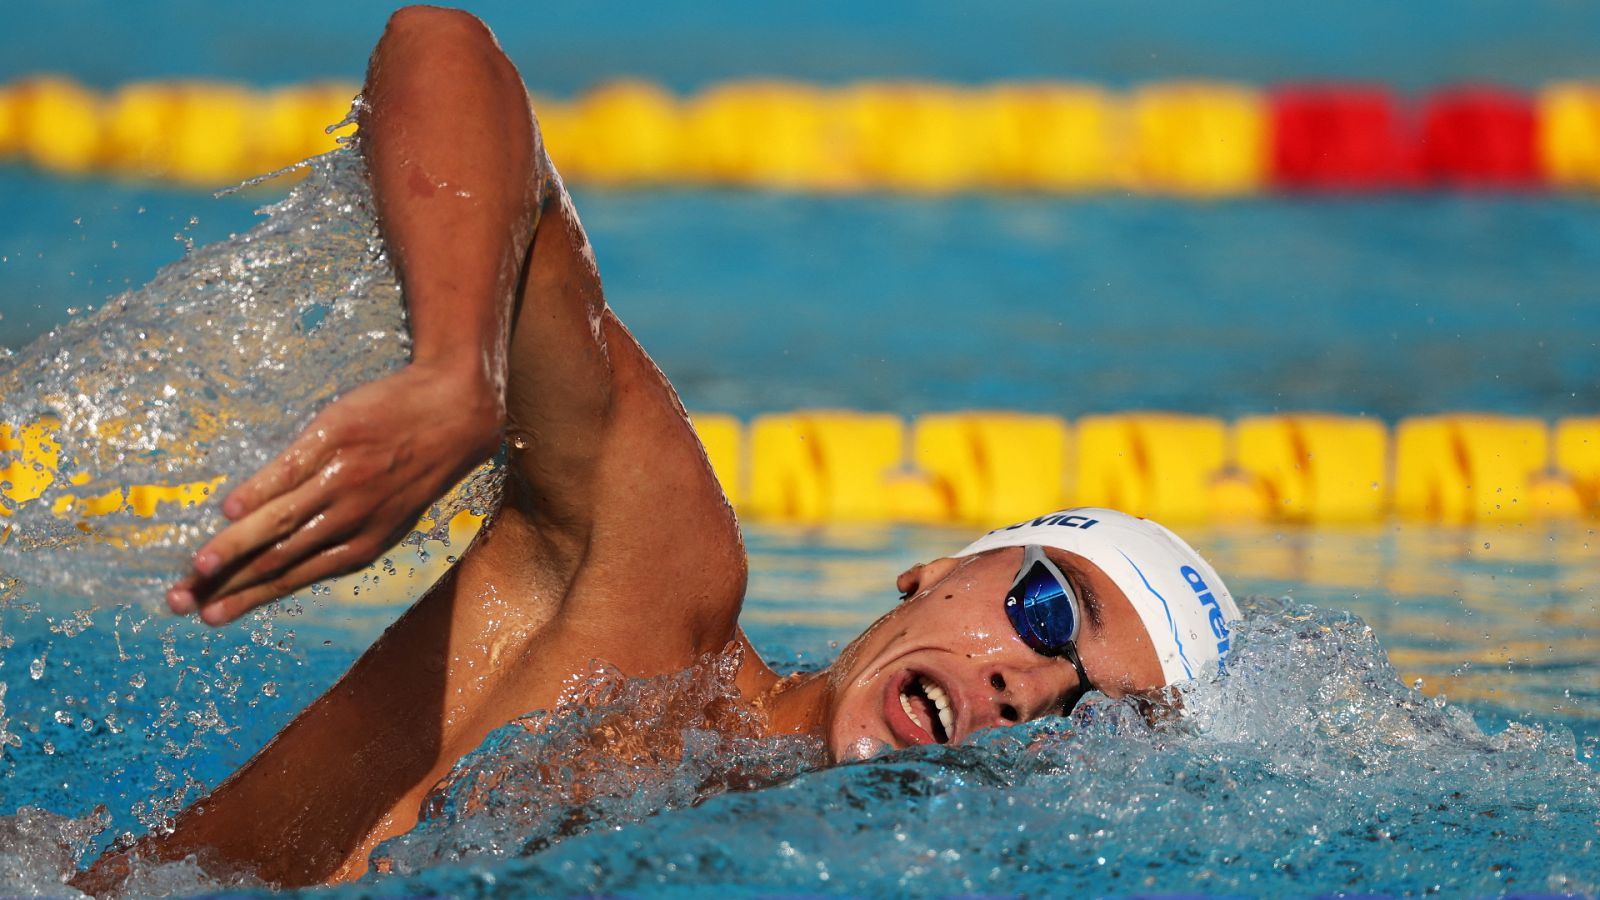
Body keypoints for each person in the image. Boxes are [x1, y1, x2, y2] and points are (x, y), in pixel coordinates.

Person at [77, 5, 1240, 891]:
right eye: (1047, 612)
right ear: (935, 570)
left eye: (1092, 719)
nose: (1026, 684)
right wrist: (456, 376)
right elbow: (441, 46)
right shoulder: (655, 596)